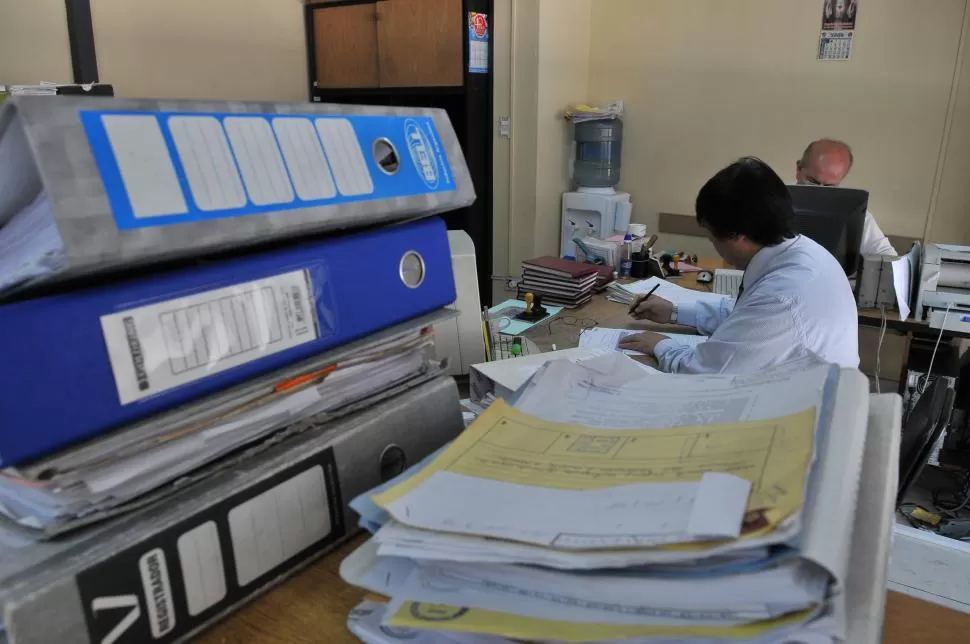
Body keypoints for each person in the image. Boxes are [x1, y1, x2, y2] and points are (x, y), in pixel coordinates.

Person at [618, 157, 859, 374]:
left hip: (803, 413)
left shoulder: (783, 296)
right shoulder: (801, 252)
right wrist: (673, 311)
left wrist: (661, 345)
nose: (714, 246)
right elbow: (745, 316)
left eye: (712, 237)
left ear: (738, 236)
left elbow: (704, 373)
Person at [795, 139, 896, 256]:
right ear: (798, 170)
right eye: (812, 181)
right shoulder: (772, 202)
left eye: (830, 186)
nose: (820, 191)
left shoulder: (853, 214)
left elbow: (887, 256)